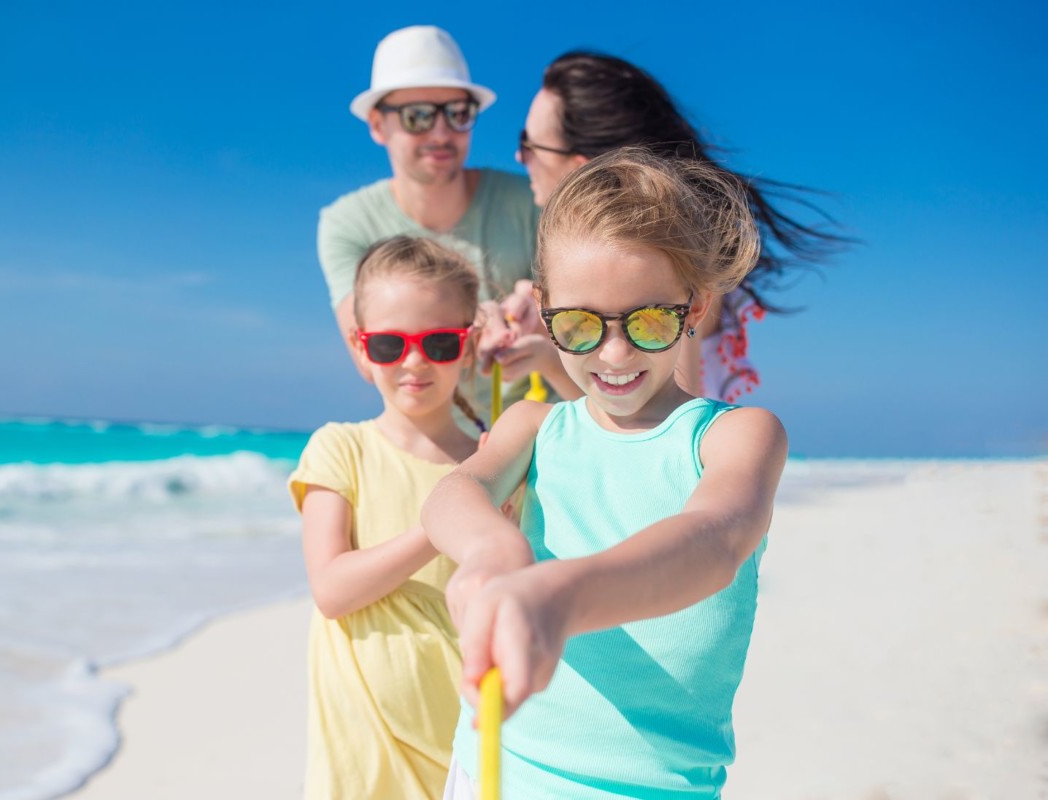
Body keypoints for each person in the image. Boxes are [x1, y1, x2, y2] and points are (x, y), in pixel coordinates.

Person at [422, 148, 789, 798]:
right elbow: (457, 491)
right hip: (495, 771)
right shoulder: (535, 428)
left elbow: (713, 540)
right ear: (547, 308)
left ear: (695, 307)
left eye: (648, 322)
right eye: (582, 325)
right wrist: (490, 550)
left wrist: (558, 598)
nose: (613, 354)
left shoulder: (734, 437)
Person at [511, 50, 847, 401]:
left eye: (530, 145)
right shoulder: (676, 248)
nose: (520, 158)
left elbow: (663, 429)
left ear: (582, 169)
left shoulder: (668, 254)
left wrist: (551, 360)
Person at [289, 236, 485, 798]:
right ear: (359, 348)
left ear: (467, 347)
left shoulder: (491, 465)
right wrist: (442, 520)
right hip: (363, 749)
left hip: (461, 737)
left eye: (441, 342)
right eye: (389, 345)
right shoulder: (338, 449)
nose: (415, 361)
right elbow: (331, 588)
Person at [317, 25, 571, 420]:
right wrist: (473, 323)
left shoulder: (533, 201)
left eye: (457, 113)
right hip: (434, 443)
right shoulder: (346, 223)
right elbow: (370, 358)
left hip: (542, 435)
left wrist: (541, 314)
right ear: (377, 125)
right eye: (418, 116)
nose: (441, 132)